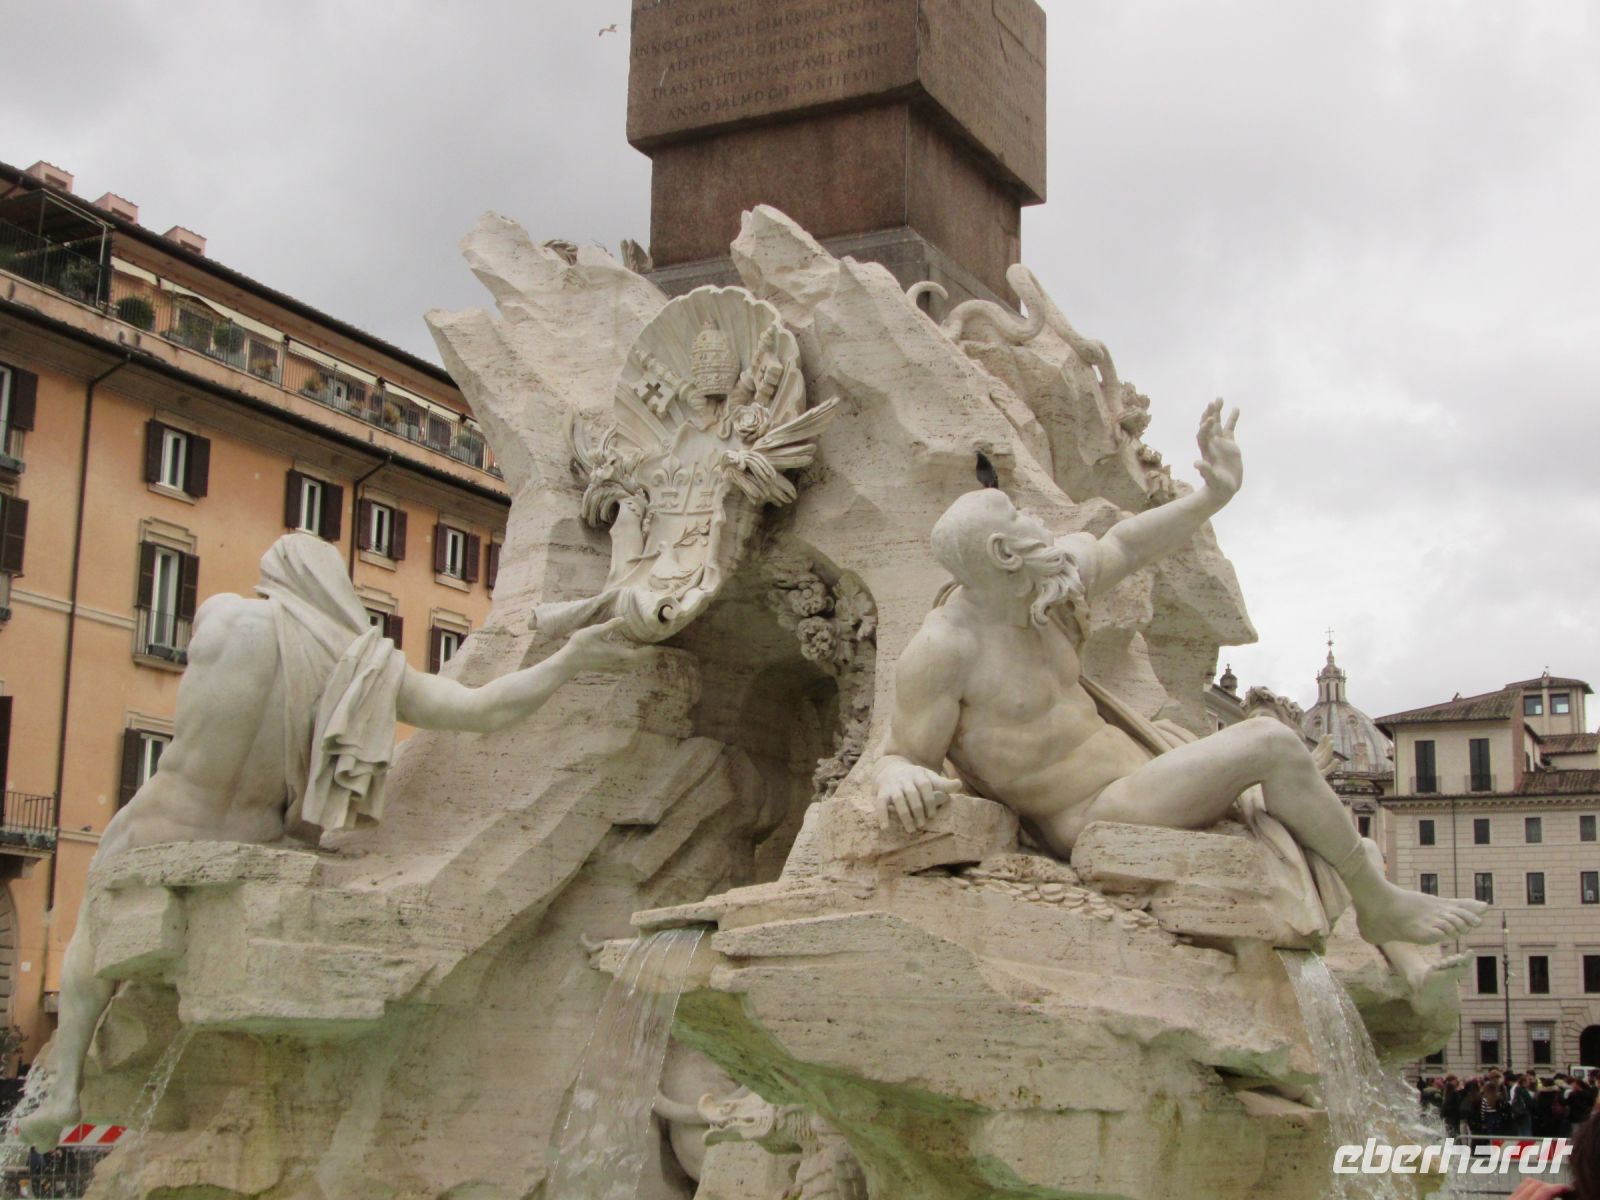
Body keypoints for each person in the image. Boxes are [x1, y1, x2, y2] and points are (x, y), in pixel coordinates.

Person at [19, 534, 647, 1152]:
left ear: (278, 578)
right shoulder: (362, 665)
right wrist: (572, 659)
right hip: (256, 839)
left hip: (161, 825)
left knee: (89, 943)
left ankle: (64, 1088)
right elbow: (479, 708)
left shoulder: (221, 614)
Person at [874, 401, 1488, 950]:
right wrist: (898, 775)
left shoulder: (1041, 589)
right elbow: (905, 754)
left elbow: (1124, 547)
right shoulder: (944, 649)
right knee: (1271, 742)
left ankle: (1376, 918)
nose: (1036, 519)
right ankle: (1377, 904)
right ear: (1004, 555)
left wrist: (1210, 498)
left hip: (1144, 768)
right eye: (1018, 515)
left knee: (1278, 785)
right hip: (1095, 814)